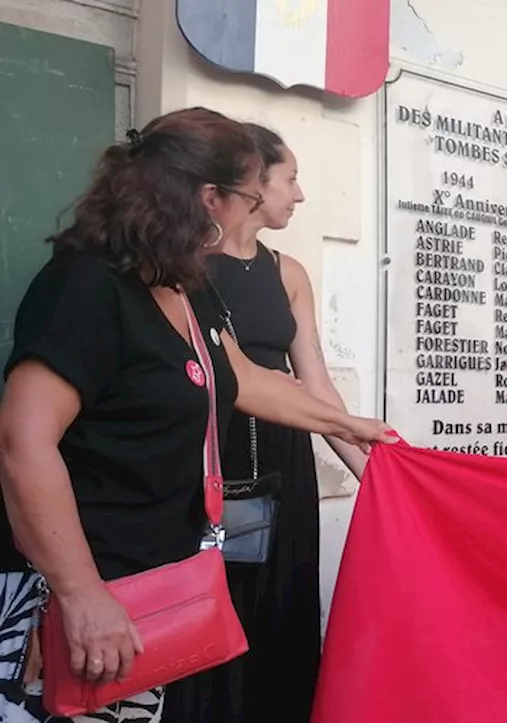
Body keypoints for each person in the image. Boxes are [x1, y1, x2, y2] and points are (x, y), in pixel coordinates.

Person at [0, 107, 393, 723]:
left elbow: (243, 379)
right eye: (247, 195)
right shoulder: (86, 287)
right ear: (211, 198)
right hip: (81, 594)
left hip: (149, 586)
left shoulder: (185, 285)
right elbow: (23, 444)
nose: (253, 209)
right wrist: (81, 594)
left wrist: (351, 427)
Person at [160, 124, 365, 723]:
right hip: (211, 460)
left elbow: (317, 386)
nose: (299, 195)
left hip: (285, 460)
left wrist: (371, 470)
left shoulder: (288, 271)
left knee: (281, 616)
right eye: (291, 178)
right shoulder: (183, 265)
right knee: (204, 624)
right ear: (251, 183)